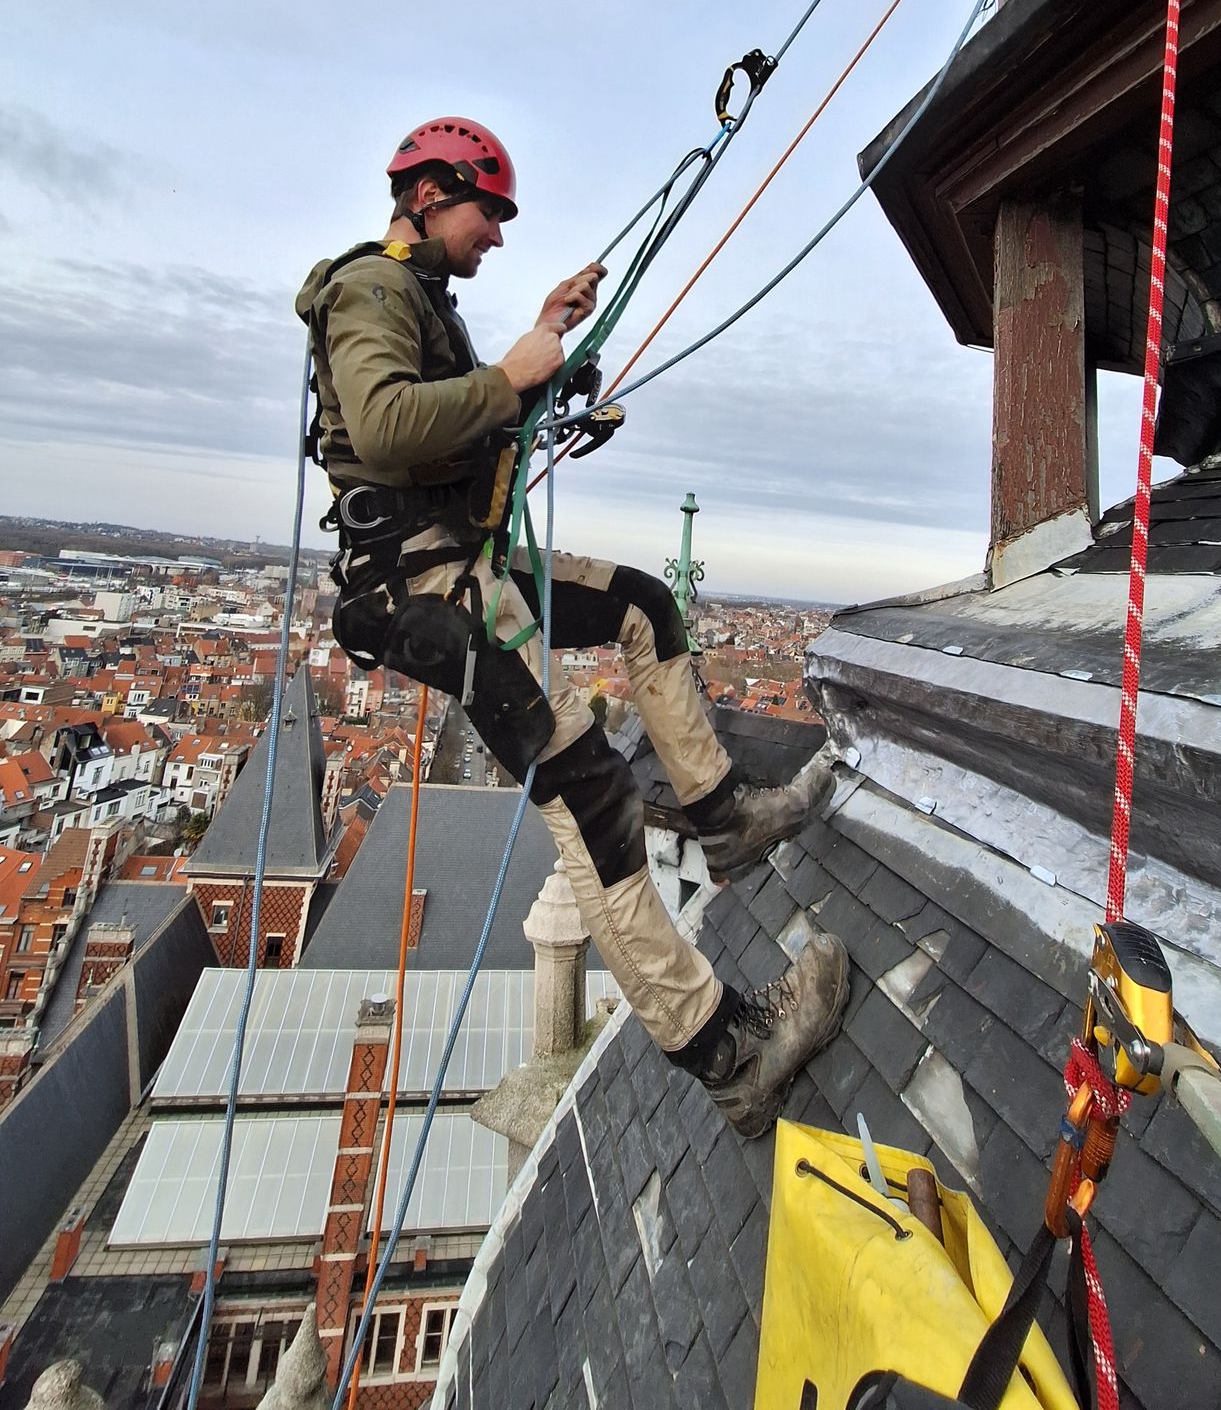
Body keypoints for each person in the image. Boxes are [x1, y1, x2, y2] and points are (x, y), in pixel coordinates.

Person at [295, 116, 848, 1135]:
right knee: (588, 794)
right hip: (429, 589)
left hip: (469, 564)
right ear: (428, 196)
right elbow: (382, 424)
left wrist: (540, 349)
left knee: (645, 602)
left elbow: (447, 427)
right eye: (486, 211)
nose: (496, 233)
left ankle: (723, 819)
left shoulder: (417, 299)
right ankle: (729, 1051)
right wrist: (511, 377)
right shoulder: (370, 289)